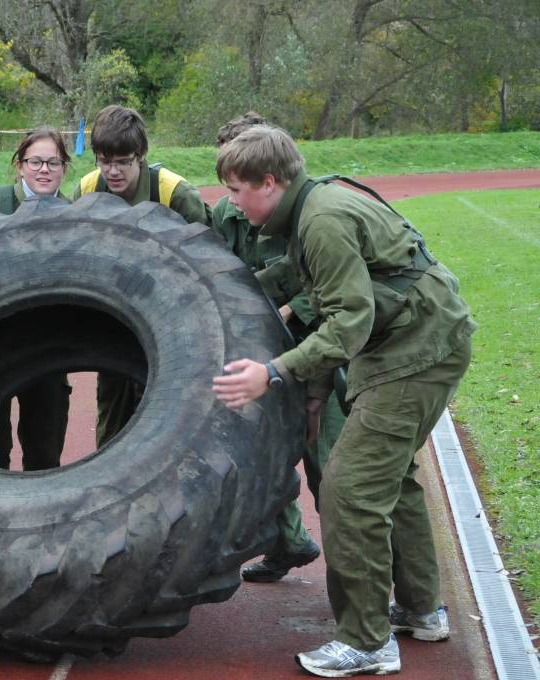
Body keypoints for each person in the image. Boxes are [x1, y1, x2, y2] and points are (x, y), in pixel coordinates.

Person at [211, 124, 476, 677]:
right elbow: (303, 273)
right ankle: (422, 610)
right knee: (391, 480)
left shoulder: (322, 219)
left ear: (269, 181)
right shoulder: (312, 208)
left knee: (350, 490)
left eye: (236, 189)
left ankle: (366, 641)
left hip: (414, 352)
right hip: (420, 341)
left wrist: (274, 373)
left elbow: (348, 324)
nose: (229, 201)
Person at [211, 112, 345, 583]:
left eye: (237, 182)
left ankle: (358, 583)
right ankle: (288, 542)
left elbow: (324, 289)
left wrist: (284, 312)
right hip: (258, 357)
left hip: (311, 350)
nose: (233, 195)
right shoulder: (226, 216)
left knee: (326, 464)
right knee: (262, 458)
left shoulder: (306, 216)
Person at [72, 105, 213, 448]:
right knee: (113, 416)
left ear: (142, 156)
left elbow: (209, 264)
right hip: (116, 319)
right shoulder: (87, 190)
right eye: (105, 160)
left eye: (123, 161)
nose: (113, 171)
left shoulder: (176, 194)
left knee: (170, 418)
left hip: (172, 321)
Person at [0, 128, 73, 470]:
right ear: (19, 165)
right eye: (35, 161)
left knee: (44, 452)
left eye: (53, 162)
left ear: (64, 168)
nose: (44, 170)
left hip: (46, 347)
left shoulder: (76, 213)